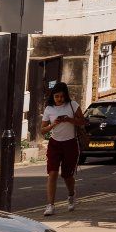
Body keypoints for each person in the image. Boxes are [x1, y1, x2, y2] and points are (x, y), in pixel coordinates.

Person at [39, 81, 84, 216]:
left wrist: (69, 120)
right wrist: (53, 124)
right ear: (53, 96)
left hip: (70, 144)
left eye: (62, 96)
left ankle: (71, 195)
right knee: (52, 173)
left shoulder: (73, 105)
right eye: (57, 96)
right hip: (55, 144)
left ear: (66, 96)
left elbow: (83, 121)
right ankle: (50, 205)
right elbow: (42, 130)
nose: (59, 99)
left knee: (67, 175)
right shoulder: (49, 109)